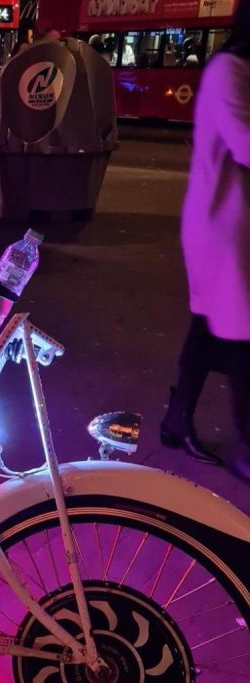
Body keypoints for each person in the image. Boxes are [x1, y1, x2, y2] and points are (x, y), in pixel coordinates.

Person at [162, 0, 250, 479]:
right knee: (241, 336)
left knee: (211, 326)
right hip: (223, 228)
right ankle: (247, 444)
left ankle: (177, 421)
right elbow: (245, 141)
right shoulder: (228, 71)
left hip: (232, 225)